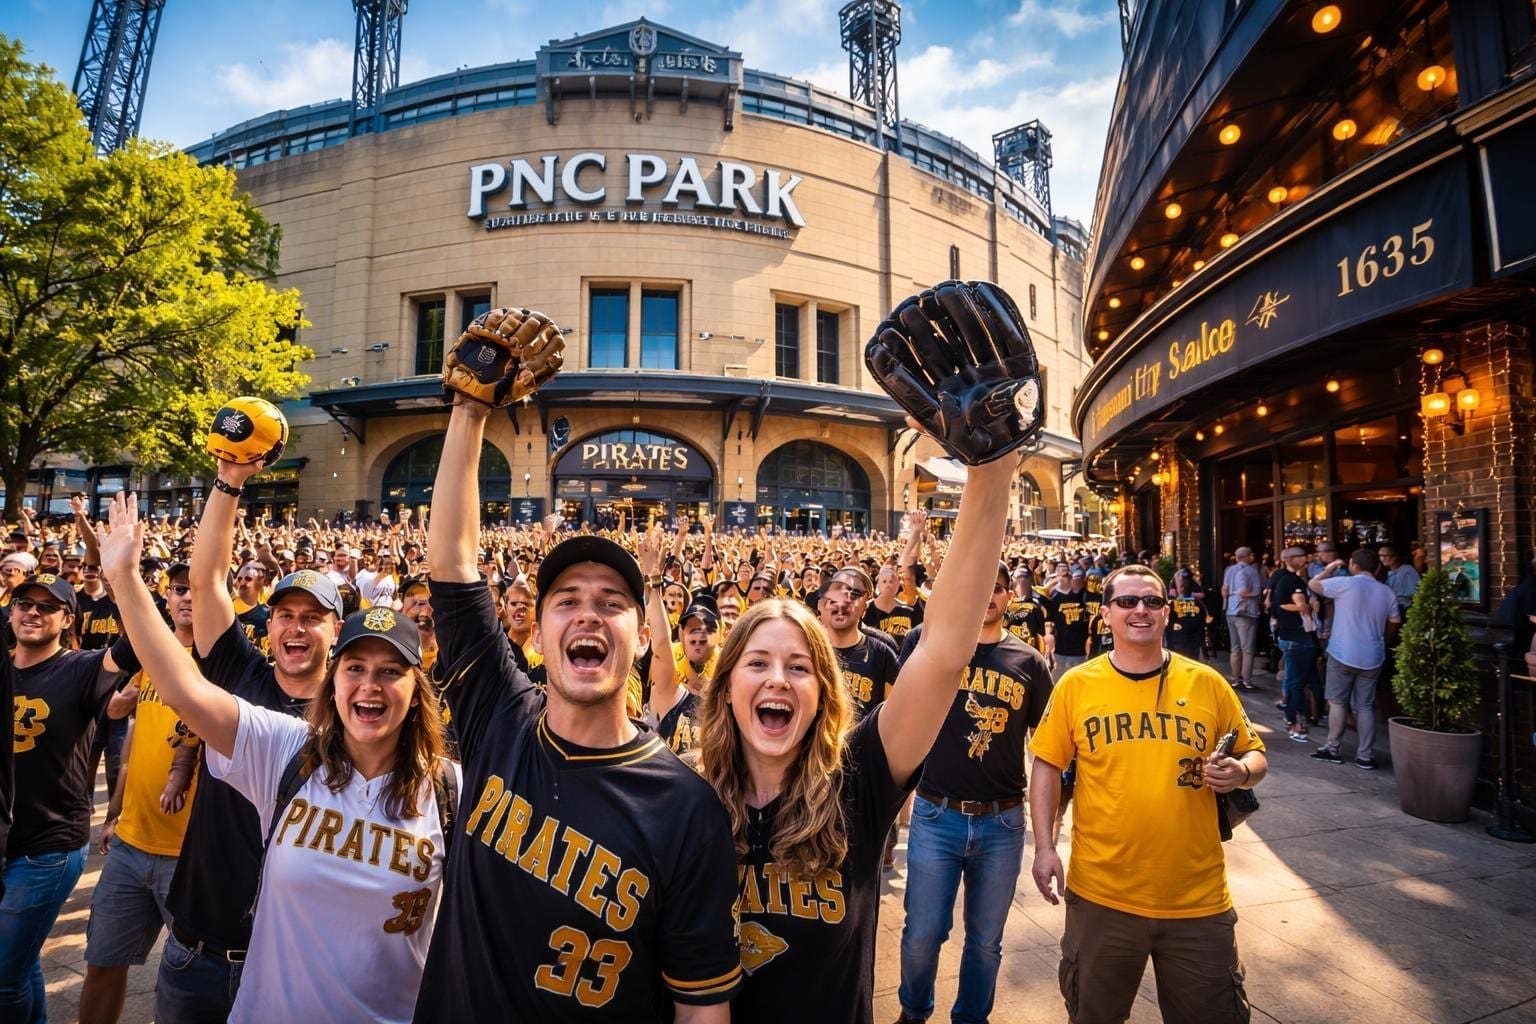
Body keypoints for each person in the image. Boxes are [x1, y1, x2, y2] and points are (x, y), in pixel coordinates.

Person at [412, 392, 742, 1022]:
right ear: (535, 636)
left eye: (613, 602)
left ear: (644, 637)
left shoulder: (686, 806)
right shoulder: (498, 715)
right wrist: (471, 410)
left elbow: (701, 1009)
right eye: (565, 600)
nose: (589, 610)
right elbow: (452, 568)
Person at [94, 493, 455, 1023]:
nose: (369, 686)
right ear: (336, 680)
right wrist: (125, 580)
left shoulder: (451, 788)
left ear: (417, 687)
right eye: (356, 669)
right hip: (226, 967)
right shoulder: (286, 746)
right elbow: (181, 684)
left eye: (390, 671)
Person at [696, 455, 1014, 1024]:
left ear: (824, 691)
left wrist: (992, 468)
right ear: (725, 687)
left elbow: (943, 652)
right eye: (757, 662)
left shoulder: (858, 777)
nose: (777, 679)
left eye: (799, 666)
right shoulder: (685, 797)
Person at [1029, 564, 1268, 1023]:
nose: (1141, 610)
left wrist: (1240, 771)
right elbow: (1047, 765)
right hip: (1102, 895)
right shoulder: (1077, 685)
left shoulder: (1208, 683)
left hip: (1197, 898)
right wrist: (1044, 846)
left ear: (1167, 612)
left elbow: (1256, 754)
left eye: (1153, 601)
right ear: (1106, 615)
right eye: (1127, 601)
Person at [156, 453, 344, 1024]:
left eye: (313, 616)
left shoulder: (359, 716)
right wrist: (229, 481)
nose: (295, 626)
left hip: (295, 961)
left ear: (337, 631)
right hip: (198, 949)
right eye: (284, 614)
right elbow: (209, 578)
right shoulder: (238, 674)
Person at [894, 559, 1053, 1024]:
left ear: (1010, 597)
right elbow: (898, 711)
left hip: (1001, 821)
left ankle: (971, 1018)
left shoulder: (1028, 661)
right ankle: (914, 1010)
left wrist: (1053, 823)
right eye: (980, 584)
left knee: (985, 939)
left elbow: (1048, 743)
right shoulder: (928, 643)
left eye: (998, 588)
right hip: (935, 813)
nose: (988, 596)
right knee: (922, 933)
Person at [2, 571, 133, 1023]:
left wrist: (124, 586)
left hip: (48, 848)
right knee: (19, 963)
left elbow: (137, 645)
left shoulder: (81, 667)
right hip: (5, 836)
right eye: (24, 602)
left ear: (67, 618)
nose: (32, 612)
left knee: (2, 976)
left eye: (46, 606)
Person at [78, 562, 201, 1024]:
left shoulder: (225, 662)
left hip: (189, 852)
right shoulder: (153, 655)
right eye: (178, 590)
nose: (187, 597)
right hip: (130, 844)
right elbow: (124, 726)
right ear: (166, 599)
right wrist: (113, 812)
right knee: (102, 963)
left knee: (190, 980)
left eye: (196, 589)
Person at [1308, 549, 1400, 769]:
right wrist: (1382, 639)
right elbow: (1395, 620)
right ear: (1376, 567)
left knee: (1338, 701)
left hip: (1343, 652)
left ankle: (1333, 748)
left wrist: (1329, 567)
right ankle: (1365, 755)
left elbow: (1313, 584)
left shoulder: (1345, 584)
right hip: (1373, 655)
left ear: (1354, 565)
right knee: (1365, 706)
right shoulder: (1387, 592)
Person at [1269, 548, 1321, 743]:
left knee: (1293, 680)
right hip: (1297, 636)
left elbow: (1273, 602)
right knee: (1298, 683)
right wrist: (1306, 607)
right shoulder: (1293, 581)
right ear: (1291, 560)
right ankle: (1295, 722)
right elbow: (1297, 604)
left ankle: (1292, 715)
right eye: (1302, 557)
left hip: (1287, 635)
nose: (1305, 560)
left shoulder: (1279, 578)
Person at [1221, 547, 1263, 690]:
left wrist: (1230, 599)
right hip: (1246, 612)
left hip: (1230, 611)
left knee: (1235, 647)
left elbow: (1224, 590)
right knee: (1248, 649)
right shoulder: (1252, 571)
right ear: (1249, 556)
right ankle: (1247, 680)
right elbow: (1252, 591)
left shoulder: (1229, 570)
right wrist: (1249, 595)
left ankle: (1234, 678)